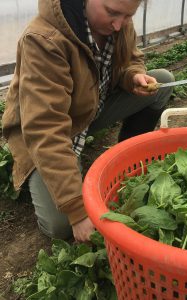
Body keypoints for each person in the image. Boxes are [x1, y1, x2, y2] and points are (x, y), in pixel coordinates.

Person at [2, 0, 174, 243]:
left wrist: (132, 76)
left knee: (162, 82)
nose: (118, 25)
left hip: (89, 110)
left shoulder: (118, 17)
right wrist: (76, 209)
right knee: (61, 225)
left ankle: (126, 158)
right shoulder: (43, 40)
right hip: (46, 131)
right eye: (112, 13)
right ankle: (38, 175)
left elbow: (130, 59)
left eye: (128, 16)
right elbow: (45, 128)